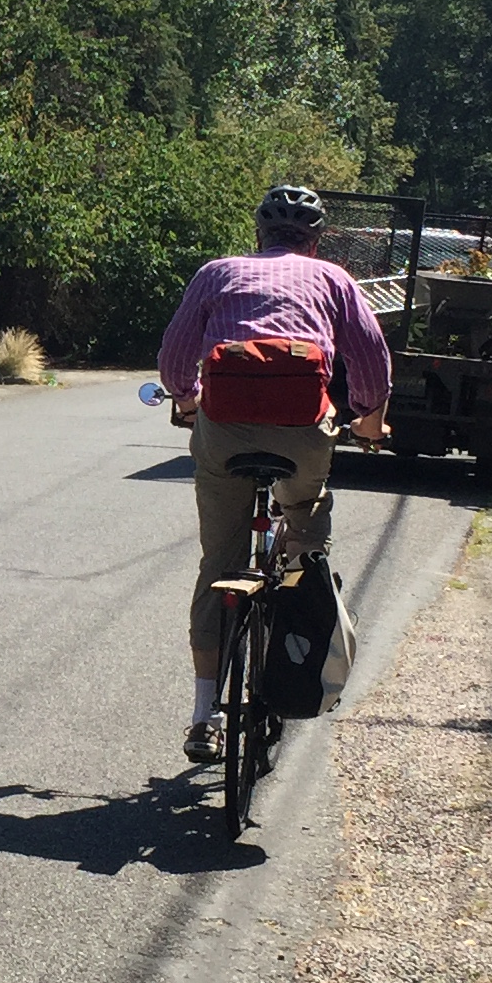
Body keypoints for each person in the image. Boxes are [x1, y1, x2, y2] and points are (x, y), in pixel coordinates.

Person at [155, 185, 393, 761]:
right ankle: (298, 579)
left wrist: (187, 400)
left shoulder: (215, 273)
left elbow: (172, 358)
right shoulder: (334, 280)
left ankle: (204, 714)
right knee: (306, 524)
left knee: (219, 564)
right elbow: (372, 362)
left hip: (223, 430)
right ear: (315, 241)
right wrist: (368, 423)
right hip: (303, 436)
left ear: (257, 235)